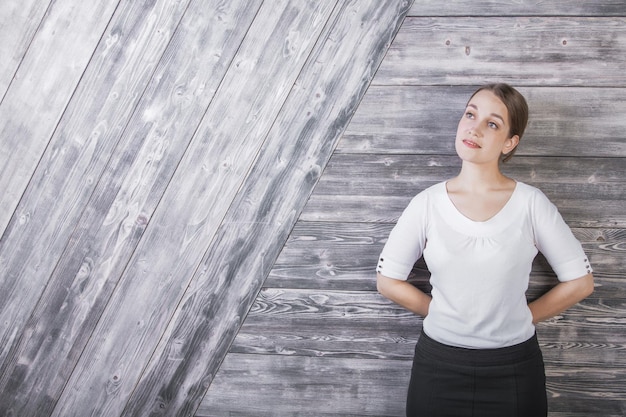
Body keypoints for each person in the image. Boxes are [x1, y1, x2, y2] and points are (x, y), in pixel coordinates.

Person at [376, 83, 594, 417]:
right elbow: (387, 280)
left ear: (510, 142)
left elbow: (580, 282)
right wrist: (442, 313)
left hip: (514, 370)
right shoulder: (427, 204)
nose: (474, 128)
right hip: (439, 367)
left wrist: (521, 317)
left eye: (492, 123)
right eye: (470, 114)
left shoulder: (530, 204)